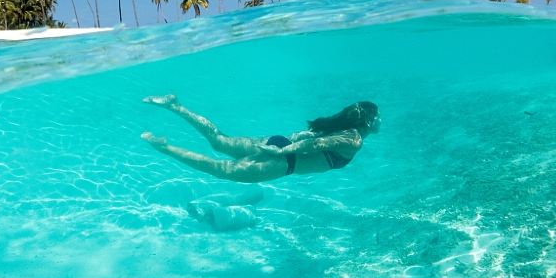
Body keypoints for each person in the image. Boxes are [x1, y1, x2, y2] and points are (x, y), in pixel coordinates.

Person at [140, 95, 380, 183]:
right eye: (378, 117)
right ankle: (163, 147)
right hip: (282, 160)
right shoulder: (354, 139)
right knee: (220, 169)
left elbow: (313, 139)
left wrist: (282, 147)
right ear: (368, 122)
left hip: (278, 141)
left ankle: (175, 106)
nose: (380, 121)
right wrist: (282, 152)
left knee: (219, 141)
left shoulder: (340, 128)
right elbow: (316, 144)